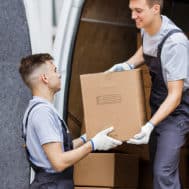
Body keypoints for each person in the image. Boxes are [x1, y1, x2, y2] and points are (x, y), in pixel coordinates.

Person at [106, 0, 189, 188]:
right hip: (159, 107)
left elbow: (175, 96)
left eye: (138, 11)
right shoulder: (147, 27)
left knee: (163, 173)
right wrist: (127, 64)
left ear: (156, 9)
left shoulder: (175, 44)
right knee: (157, 168)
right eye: (131, 10)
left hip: (177, 113)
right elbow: (146, 50)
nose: (132, 16)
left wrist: (149, 125)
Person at [19, 53, 122, 189]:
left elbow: (61, 149)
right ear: (44, 78)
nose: (59, 75)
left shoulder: (39, 109)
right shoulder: (42, 113)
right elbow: (59, 162)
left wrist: (87, 138)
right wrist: (93, 144)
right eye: (55, 71)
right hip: (52, 185)